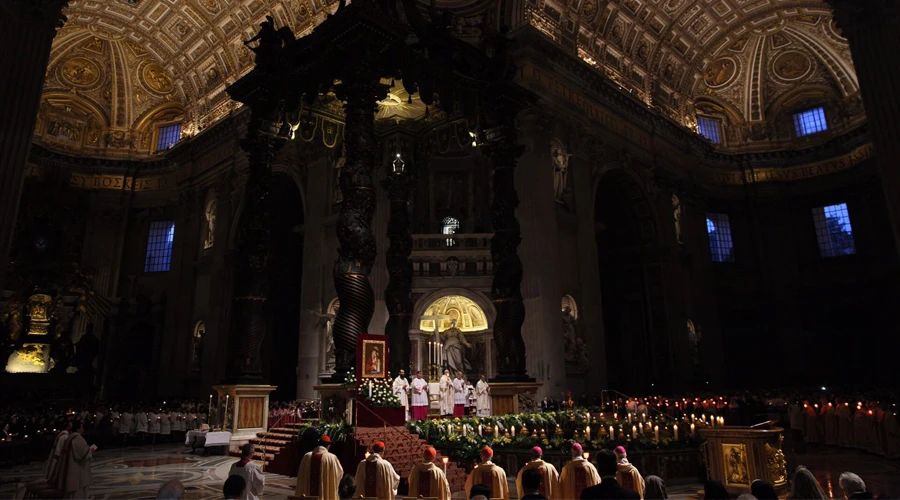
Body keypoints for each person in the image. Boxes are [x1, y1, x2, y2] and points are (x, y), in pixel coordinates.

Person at [54, 420, 96, 499]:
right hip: (76, 468)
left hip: (70, 466)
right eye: (81, 427)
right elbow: (84, 453)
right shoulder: (77, 438)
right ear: (77, 429)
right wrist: (91, 449)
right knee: (78, 491)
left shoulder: (70, 437)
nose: (83, 429)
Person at [296, 435, 343, 500]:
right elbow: (339, 474)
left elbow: (301, 475)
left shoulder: (307, 456)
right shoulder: (331, 458)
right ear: (328, 446)